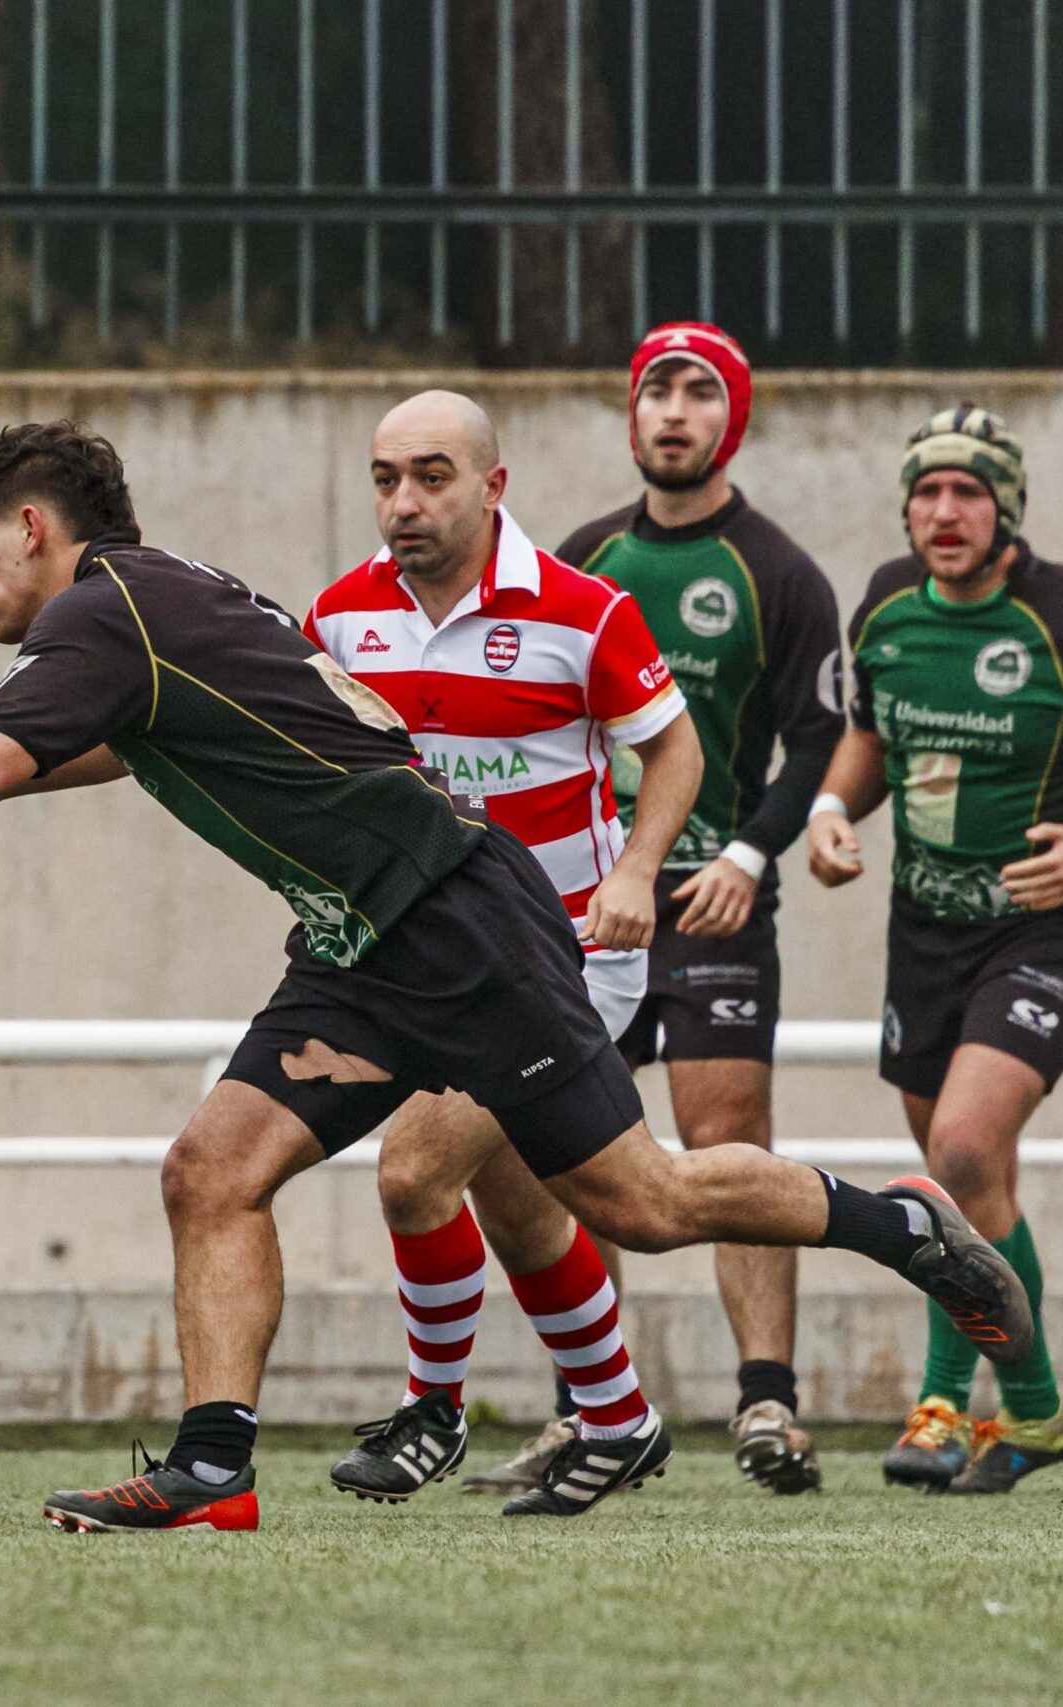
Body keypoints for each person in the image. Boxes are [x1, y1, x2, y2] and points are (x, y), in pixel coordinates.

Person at [0, 419, 1031, 1535]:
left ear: (34, 525)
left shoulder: (106, 610)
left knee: (643, 1200)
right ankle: (214, 1469)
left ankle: (898, 1225)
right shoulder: (152, 603)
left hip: (459, 926)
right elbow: (93, 747)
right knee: (211, 1169)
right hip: (356, 947)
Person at [302, 390, 699, 1515]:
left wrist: (636, 873)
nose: (404, 501)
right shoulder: (338, 617)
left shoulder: (585, 612)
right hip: (435, 962)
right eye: (385, 478)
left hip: (564, 955)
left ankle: (433, 1409)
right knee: (524, 1206)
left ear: (492, 486)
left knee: (415, 1171)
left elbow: (674, 752)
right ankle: (618, 1417)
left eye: (432, 476)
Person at [527, 323, 846, 1497]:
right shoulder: (582, 558)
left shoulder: (779, 572)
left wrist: (752, 856)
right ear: (630, 413)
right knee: (572, 1149)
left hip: (714, 900)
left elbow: (819, 738)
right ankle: (588, 1411)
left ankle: (767, 1405)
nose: (672, 410)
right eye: (654, 389)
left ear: (731, 421)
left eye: (698, 392)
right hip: (580, 904)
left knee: (725, 1144)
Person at [809, 405, 1063, 1494]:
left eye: (967, 491)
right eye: (926, 492)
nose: (944, 511)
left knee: (957, 1150)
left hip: (1056, 926)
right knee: (967, 1186)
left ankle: (1022, 1409)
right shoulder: (886, 604)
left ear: (1008, 507)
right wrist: (831, 809)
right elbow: (871, 732)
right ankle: (957, 1412)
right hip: (926, 930)